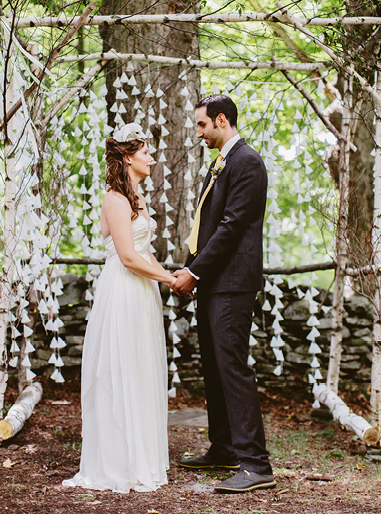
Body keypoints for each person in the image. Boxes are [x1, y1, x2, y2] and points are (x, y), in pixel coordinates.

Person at [170, 94, 275, 493]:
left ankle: (256, 465)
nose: (198, 133)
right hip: (215, 280)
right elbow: (207, 225)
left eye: (201, 125)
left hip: (233, 282)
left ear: (220, 120)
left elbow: (231, 228)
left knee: (232, 367)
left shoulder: (247, 162)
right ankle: (224, 447)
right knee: (214, 367)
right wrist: (190, 265)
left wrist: (194, 273)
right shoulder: (221, 163)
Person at [63, 123, 175, 493]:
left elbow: (146, 253)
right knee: (119, 369)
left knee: (141, 368)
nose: (152, 158)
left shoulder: (139, 198)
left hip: (143, 291)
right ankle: (117, 461)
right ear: (129, 157)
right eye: (146, 153)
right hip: (124, 290)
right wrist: (169, 281)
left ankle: (141, 456)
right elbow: (127, 257)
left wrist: (172, 276)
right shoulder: (115, 199)